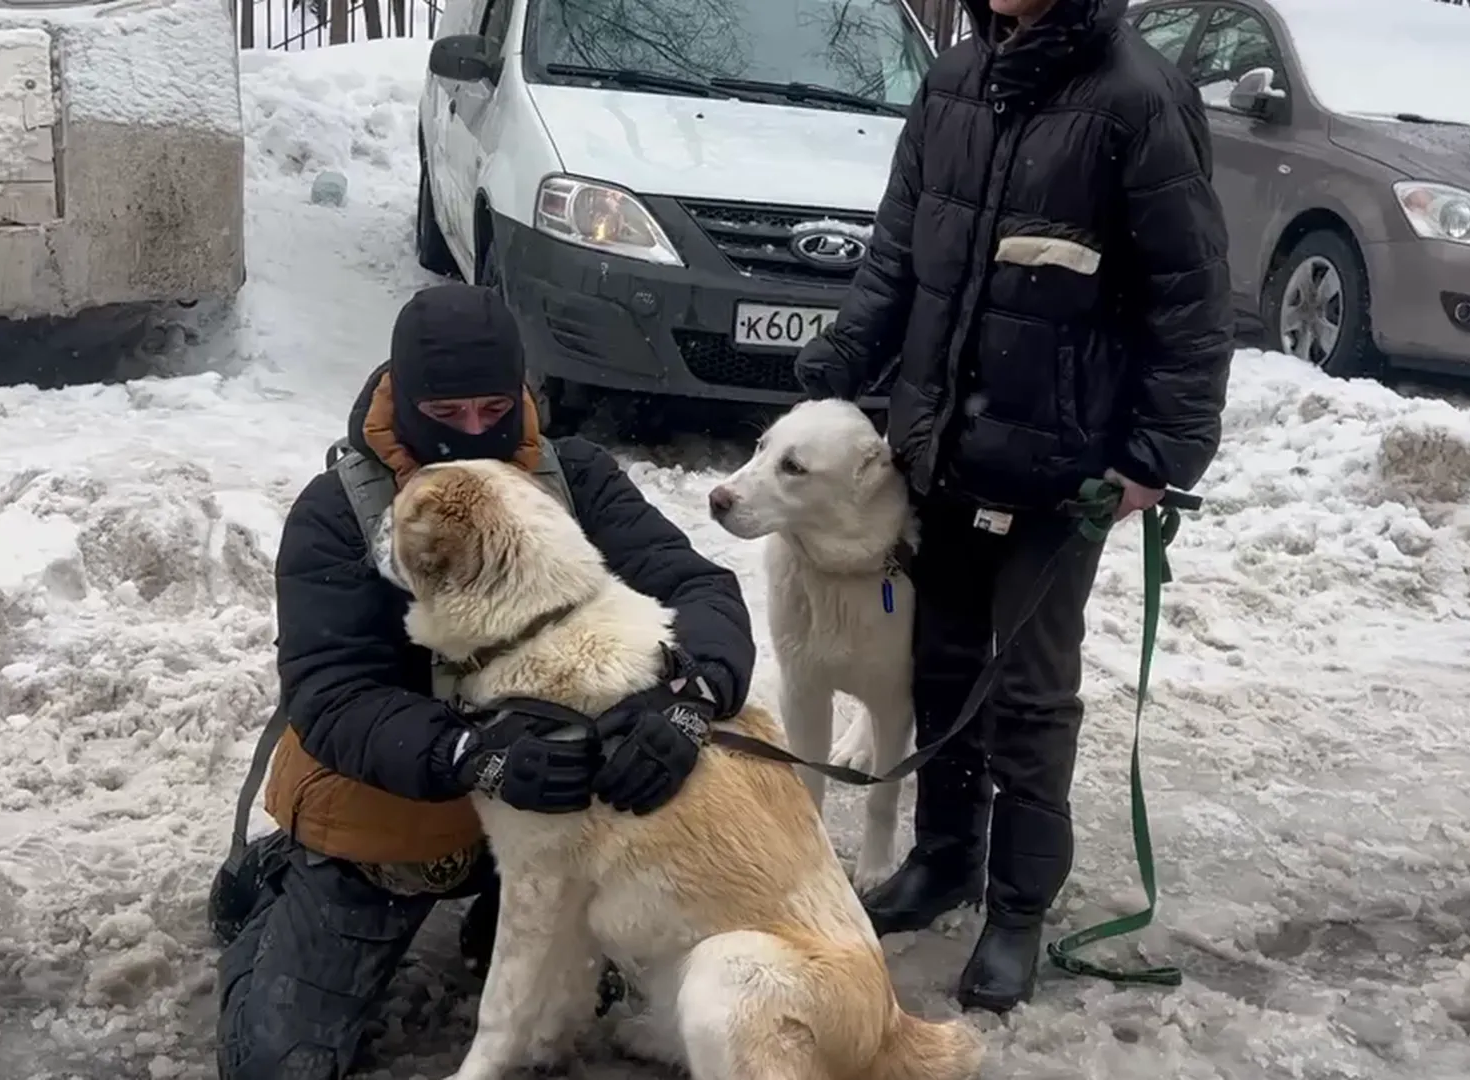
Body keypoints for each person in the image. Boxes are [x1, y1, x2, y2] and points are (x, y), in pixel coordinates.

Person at [794, 0, 1234, 1015]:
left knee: (1030, 698)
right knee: (941, 669)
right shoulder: (953, 80)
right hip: (942, 449)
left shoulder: (1138, 98)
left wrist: (1159, 454)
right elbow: (897, 257)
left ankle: (1018, 908)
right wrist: (838, 362)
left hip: (1063, 471)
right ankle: (946, 860)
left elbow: (1191, 295)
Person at [214, 283, 754, 1079]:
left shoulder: (577, 480)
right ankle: (280, 877)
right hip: (392, 811)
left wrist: (697, 698)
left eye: (492, 409)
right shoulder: (339, 513)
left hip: (554, 812)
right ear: (403, 400)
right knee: (277, 1066)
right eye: (448, 414)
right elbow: (330, 696)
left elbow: (700, 589)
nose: (474, 436)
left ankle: (497, 910)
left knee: (572, 1014)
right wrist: (472, 754)